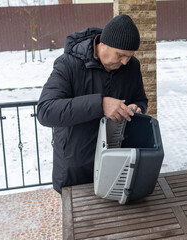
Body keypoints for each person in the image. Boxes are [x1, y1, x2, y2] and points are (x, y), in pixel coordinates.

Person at [37, 14, 148, 194]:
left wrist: (137, 108)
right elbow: (46, 111)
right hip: (75, 169)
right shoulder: (68, 64)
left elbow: (140, 99)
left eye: (130, 56)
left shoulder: (131, 66)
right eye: (121, 55)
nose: (125, 61)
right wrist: (100, 104)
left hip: (117, 164)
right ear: (102, 45)